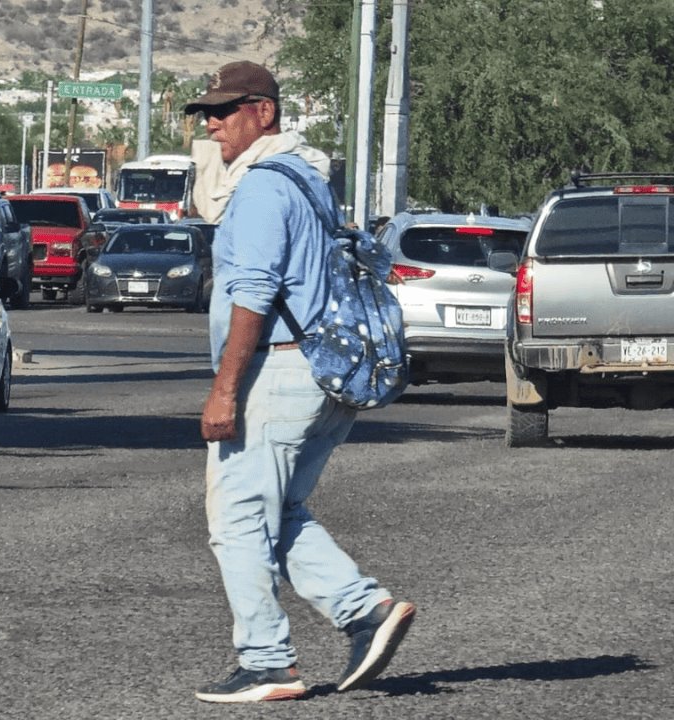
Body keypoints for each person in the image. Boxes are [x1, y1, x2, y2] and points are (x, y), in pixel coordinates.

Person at [185, 60, 416, 704]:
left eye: (225, 110)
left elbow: (254, 292)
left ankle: (267, 663)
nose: (212, 122)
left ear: (264, 112)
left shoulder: (262, 186)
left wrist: (225, 388)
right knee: (276, 509)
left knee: (236, 518)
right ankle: (365, 611)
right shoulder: (309, 176)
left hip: (279, 367)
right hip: (324, 366)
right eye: (207, 112)